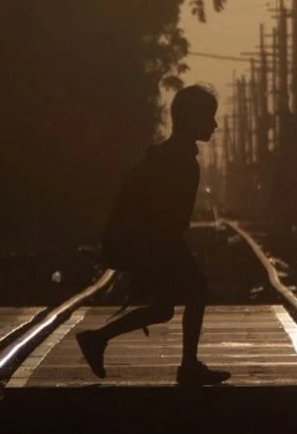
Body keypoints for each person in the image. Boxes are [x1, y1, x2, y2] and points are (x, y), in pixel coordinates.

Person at [76, 84, 230, 386]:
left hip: (154, 242)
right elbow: (166, 217)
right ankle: (188, 366)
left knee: (162, 308)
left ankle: (97, 339)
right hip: (158, 243)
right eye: (208, 117)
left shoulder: (170, 157)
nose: (214, 125)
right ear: (190, 119)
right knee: (196, 291)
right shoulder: (179, 161)